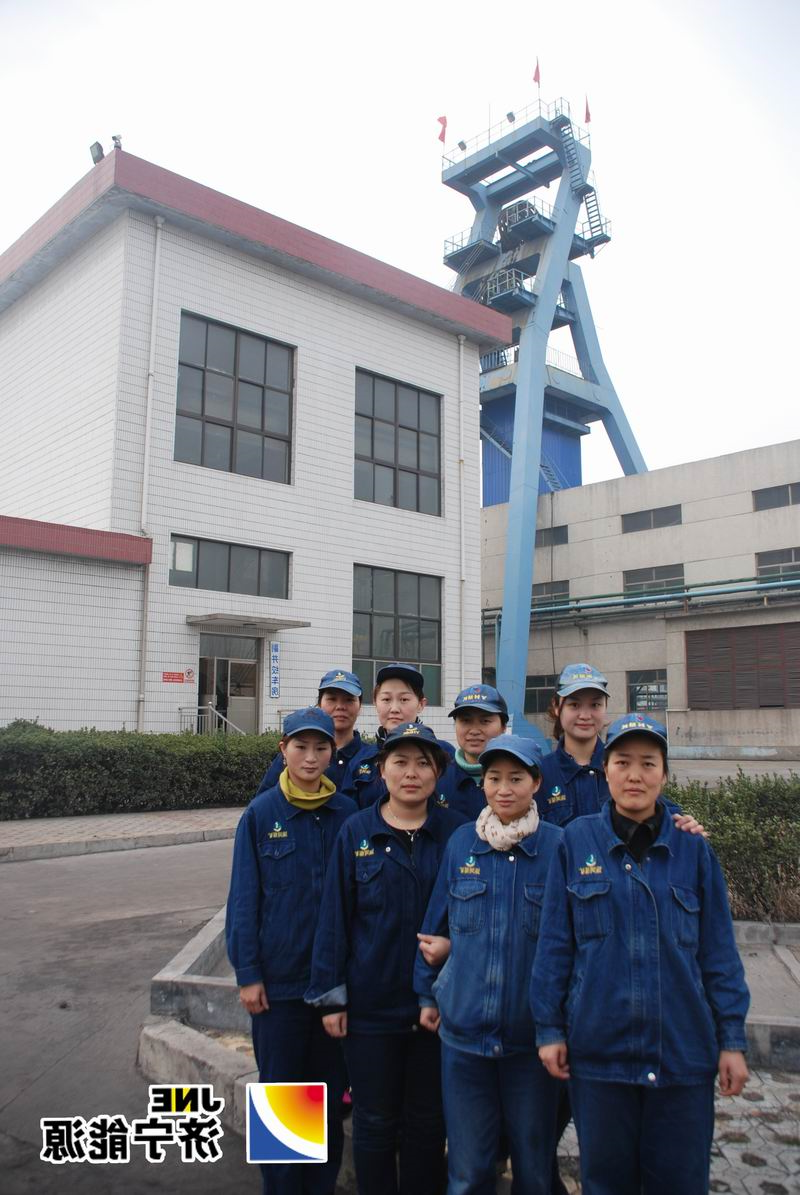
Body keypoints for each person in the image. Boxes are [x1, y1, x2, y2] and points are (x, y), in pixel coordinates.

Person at [532, 713, 750, 1195]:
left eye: (648, 763)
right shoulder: (576, 842)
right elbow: (555, 945)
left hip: (682, 1056)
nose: (635, 775)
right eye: (623, 762)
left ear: (664, 775)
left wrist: (731, 1039)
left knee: (679, 1182)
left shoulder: (693, 849)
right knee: (606, 1183)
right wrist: (549, 1029)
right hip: (600, 1055)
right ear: (605, 771)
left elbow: (718, 953)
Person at [305, 722, 466, 1195]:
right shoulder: (357, 831)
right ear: (381, 771)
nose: (411, 773)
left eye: (423, 763)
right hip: (371, 1007)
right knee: (374, 1121)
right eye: (400, 762)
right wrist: (332, 996)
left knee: (427, 1122)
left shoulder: (457, 834)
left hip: (437, 1008)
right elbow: (335, 917)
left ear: (438, 773)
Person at [415, 735, 563, 1195]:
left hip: (531, 1043)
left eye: (516, 778)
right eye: (494, 778)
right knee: (468, 1172)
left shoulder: (559, 848)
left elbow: (570, 944)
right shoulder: (463, 843)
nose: (503, 788)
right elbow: (434, 924)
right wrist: (427, 994)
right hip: (464, 1039)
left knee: (534, 1172)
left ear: (536, 783)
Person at [225, 707, 357, 1195]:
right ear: (283, 750)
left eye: (321, 747)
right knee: (284, 1100)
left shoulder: (347, 815)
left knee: (326, 1097)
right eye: (301, 746)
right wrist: (248, 972)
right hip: (278, 987)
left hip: (332, 987)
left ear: (332, 753)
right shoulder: (261, 815)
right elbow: (244, 898)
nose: (311, 757)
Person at [350, 663, 454, 810]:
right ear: (375, 703)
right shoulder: (361, 759)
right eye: (386, 699)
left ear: (421, 704)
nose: (394, 709)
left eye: (404, 699)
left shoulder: (445, 753)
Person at [255, 669, 366, 799]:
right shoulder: (291, 756)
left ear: (360, 707)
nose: (340, 706)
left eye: (349, 700)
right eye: (332, 699)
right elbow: (263, 803)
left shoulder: (371, 758)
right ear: (319, 704)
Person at [433, 684, 509, 819]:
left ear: (503, 727)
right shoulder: (438, 778)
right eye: (466, 721)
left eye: (485, 721)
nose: (474, 731)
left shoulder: (521, 776)